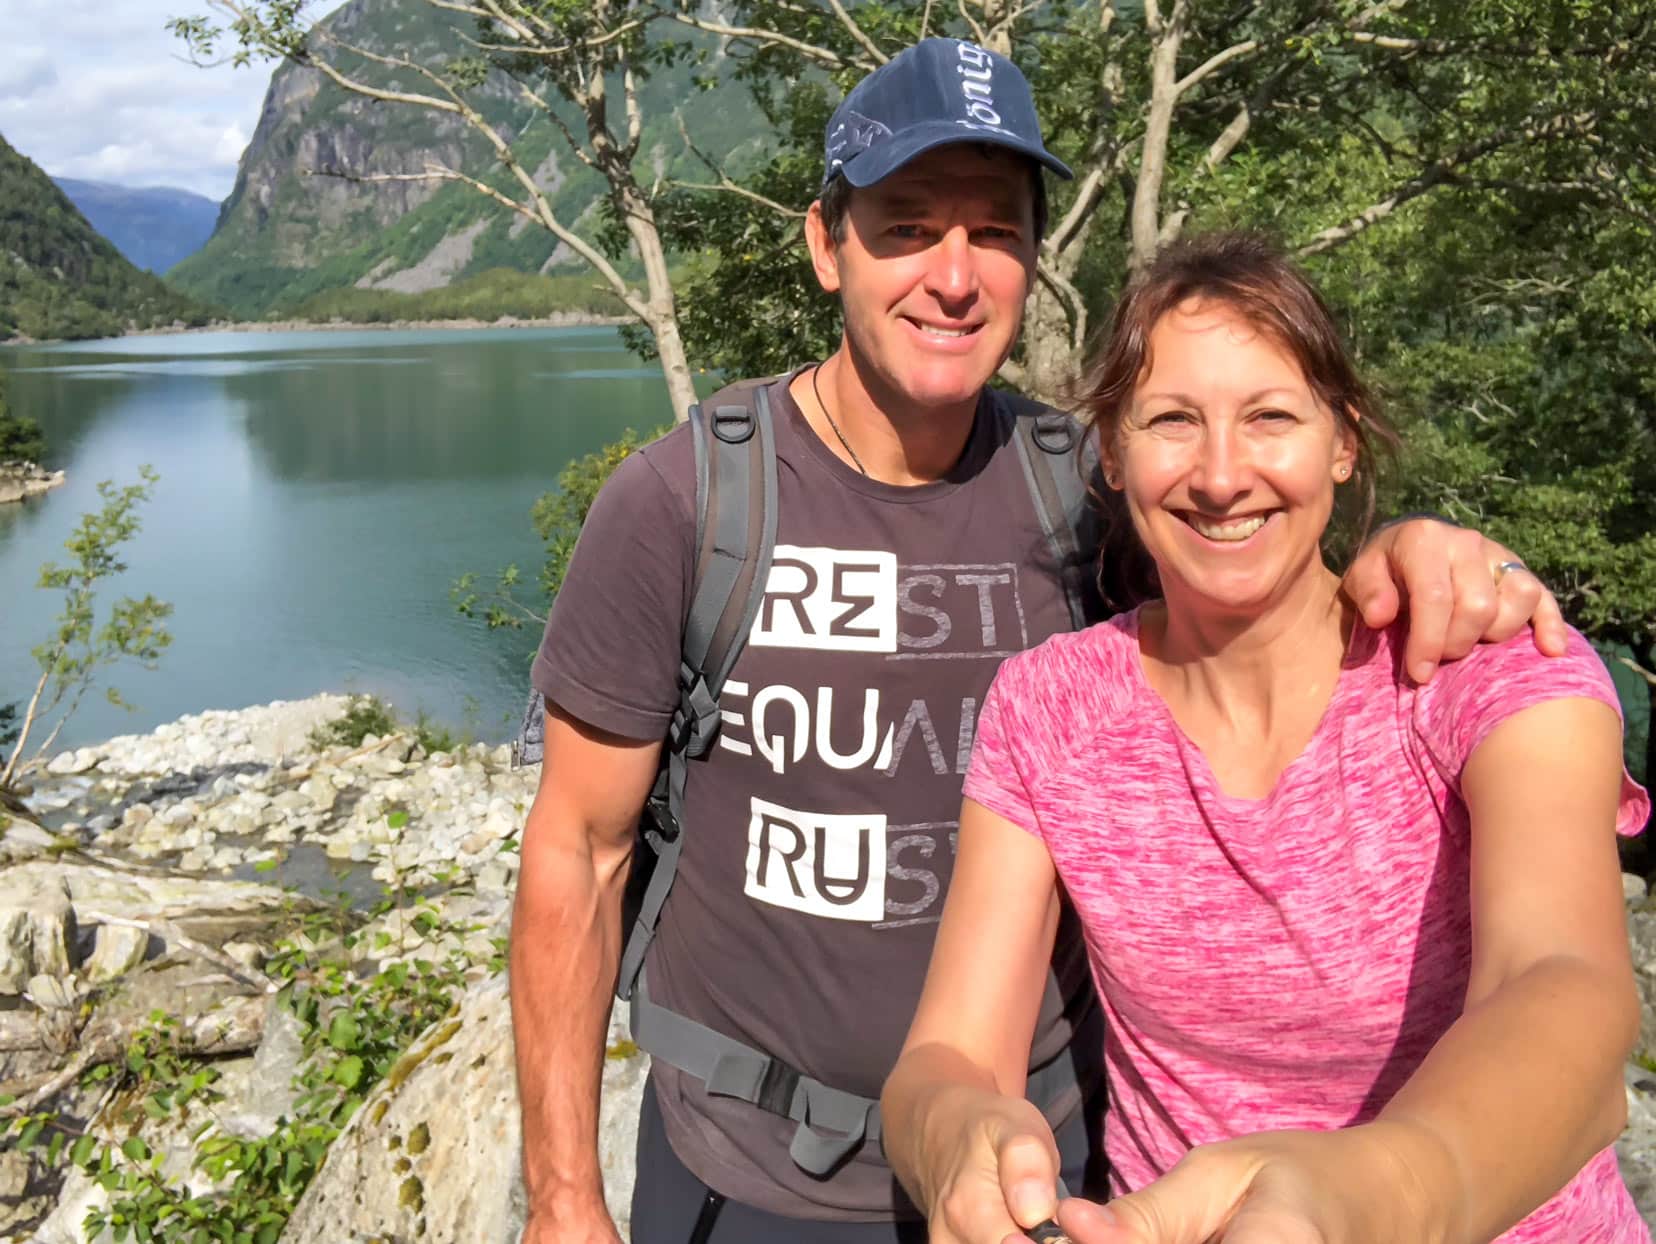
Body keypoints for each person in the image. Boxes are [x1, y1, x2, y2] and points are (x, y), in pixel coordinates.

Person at [511, 41, 1571, 1244]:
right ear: (826, 245)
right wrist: (562, 1197)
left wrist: (1416, 552)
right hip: (749, 1169)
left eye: (996, 230)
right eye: (908, 225)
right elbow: (579, 851)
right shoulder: (687, 502)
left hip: (1047, 1166)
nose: (954, 276)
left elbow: (1259, 573)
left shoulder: (1090, 490)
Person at [880, 231, 1651, 1244]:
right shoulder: (1051, 708)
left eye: (1271, 417)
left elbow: (1566, 991)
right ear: (1111, 451)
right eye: (1171, 421)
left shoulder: (1492, 667)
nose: (1221, 473)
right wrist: (957, 1137)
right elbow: (948, 1054)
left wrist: (1369, 1194)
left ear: (1344, 437)